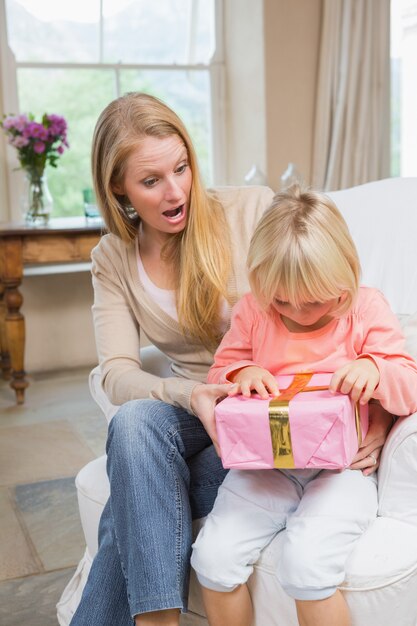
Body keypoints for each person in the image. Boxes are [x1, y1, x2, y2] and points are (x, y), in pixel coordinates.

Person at [69, 93, 393, 626]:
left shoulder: (247, 210)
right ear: (118, 189)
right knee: (134, 427)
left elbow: (332, 290)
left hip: (263, 417)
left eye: (182, 167)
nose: (176, 191)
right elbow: (117, 373)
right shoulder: (113, 258)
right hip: (198, 409)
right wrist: (191, 394)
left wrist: (373, 414)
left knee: (133, 496)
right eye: (151, 182)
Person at [190, 185, 417, 626]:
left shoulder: (366, 309)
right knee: (213, 560)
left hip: (343, 471)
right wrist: (241, 374)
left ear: (345, 278)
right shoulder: (253, 311)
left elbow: (408, 381)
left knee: (308, 564)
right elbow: (219, 373)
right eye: (281, 299)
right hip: (265, 466)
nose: (298, 310)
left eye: (314, 301)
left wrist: (374, 368)